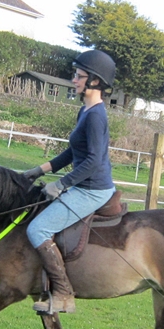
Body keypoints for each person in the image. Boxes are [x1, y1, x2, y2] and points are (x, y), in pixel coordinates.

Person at [23, 50, 117, 314]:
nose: (73, 80)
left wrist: (61, 184)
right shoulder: (85, 111)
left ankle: (64, 294)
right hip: (83, 185)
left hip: (93, 190)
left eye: (79, 76)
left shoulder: (96, 116)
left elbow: (94, 161)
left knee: (37, 230)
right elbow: (73, 152)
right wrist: (40, 170)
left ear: (95, 81)